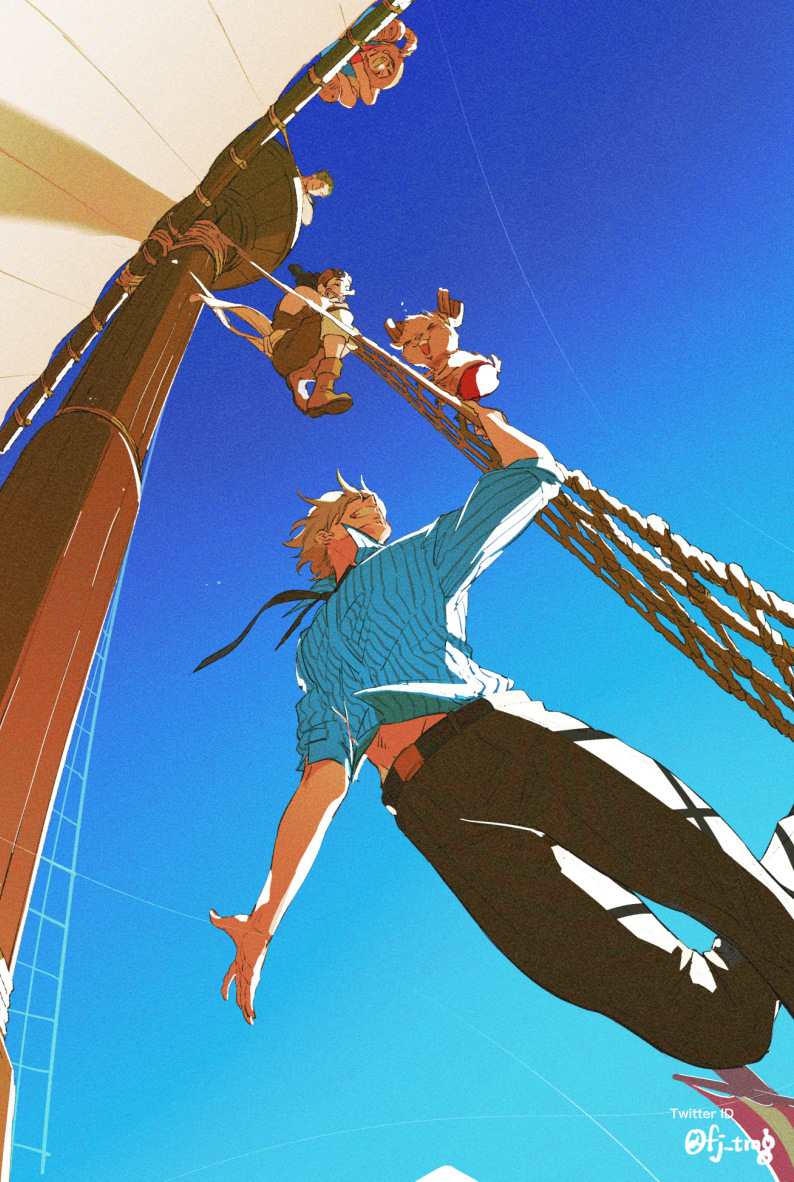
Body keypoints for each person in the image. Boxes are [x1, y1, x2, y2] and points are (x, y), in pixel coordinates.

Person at [208, 404, 794, 1068]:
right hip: (435, 815)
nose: (359, 524)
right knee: (718, 1028)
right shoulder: (315, 654)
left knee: (713, 874)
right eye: (352, 516)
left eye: (360, 515)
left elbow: (533, 472)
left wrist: (475, 409)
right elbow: (323, 784)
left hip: (505, 741)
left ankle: (778, 891)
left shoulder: (413, 558)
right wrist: (263, 922)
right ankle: (782, 879)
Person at [270, 264, 356, 417]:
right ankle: (323, 388)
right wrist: (338, 307)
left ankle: (301, 379)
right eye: (336, 284)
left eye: (345, 286)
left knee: (352, 337)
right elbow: (315, 307)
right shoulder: (305, 293)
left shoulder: (329, 310)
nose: (341, 289)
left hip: (303, 360)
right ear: (322, 287)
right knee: (342, 319)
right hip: (286, 348)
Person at [385, 289, 501, 401]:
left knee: (455, 374)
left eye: (431, 328)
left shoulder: (453, 359)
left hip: (471, 373)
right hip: (462, 388)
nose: (421, 341)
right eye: (412, 341)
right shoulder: (435, 368)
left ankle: (467, 390)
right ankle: (466, 400)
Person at [319, 20, 417, 108]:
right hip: (340, 28)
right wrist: (411, 37)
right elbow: (394, 27)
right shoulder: (376, 41)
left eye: (379, 73)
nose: (382, 67)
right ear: (386, 53)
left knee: (350, 101)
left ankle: (332, 77)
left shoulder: (358, 69)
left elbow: (368, 100)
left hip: (329, 50)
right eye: (388, 65)